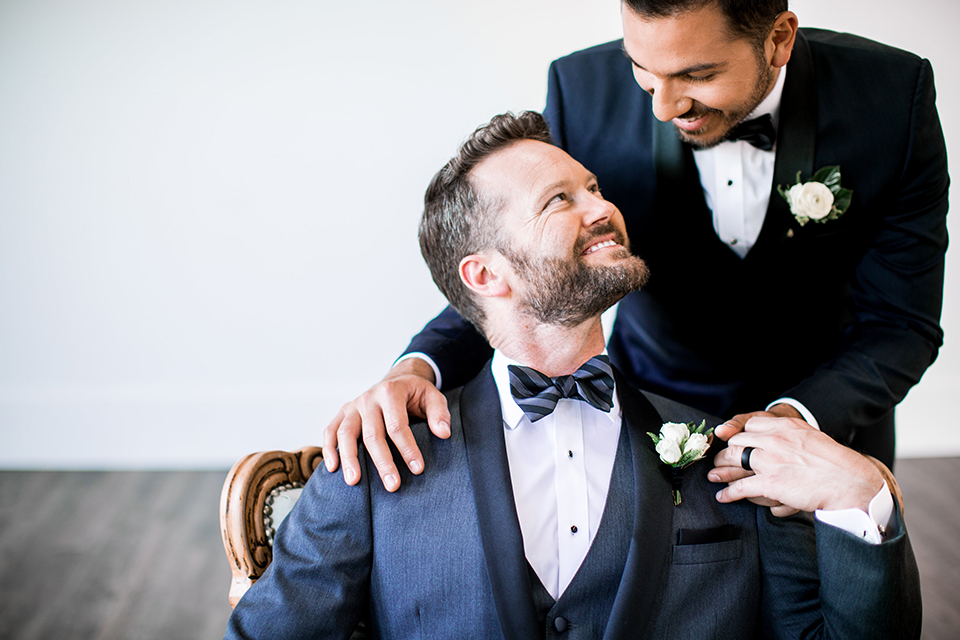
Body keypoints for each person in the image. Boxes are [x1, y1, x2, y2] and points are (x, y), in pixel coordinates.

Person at [225, 112, 920, 639]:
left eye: (592, 186)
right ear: (485, 274)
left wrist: (862, 499)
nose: (602, 207)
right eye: (559, 200)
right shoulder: (377, 459)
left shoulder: (727, 457)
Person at [322, 0, 948, 492]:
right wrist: (417, 367)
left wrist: (799, 420)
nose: (665, 106)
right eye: (643, 71)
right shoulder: (581, 89)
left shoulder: (893, 97)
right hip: (646, 413)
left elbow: (901, 322)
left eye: (697, 74)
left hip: (828, 427)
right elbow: (525, 272)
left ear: (779, 39)